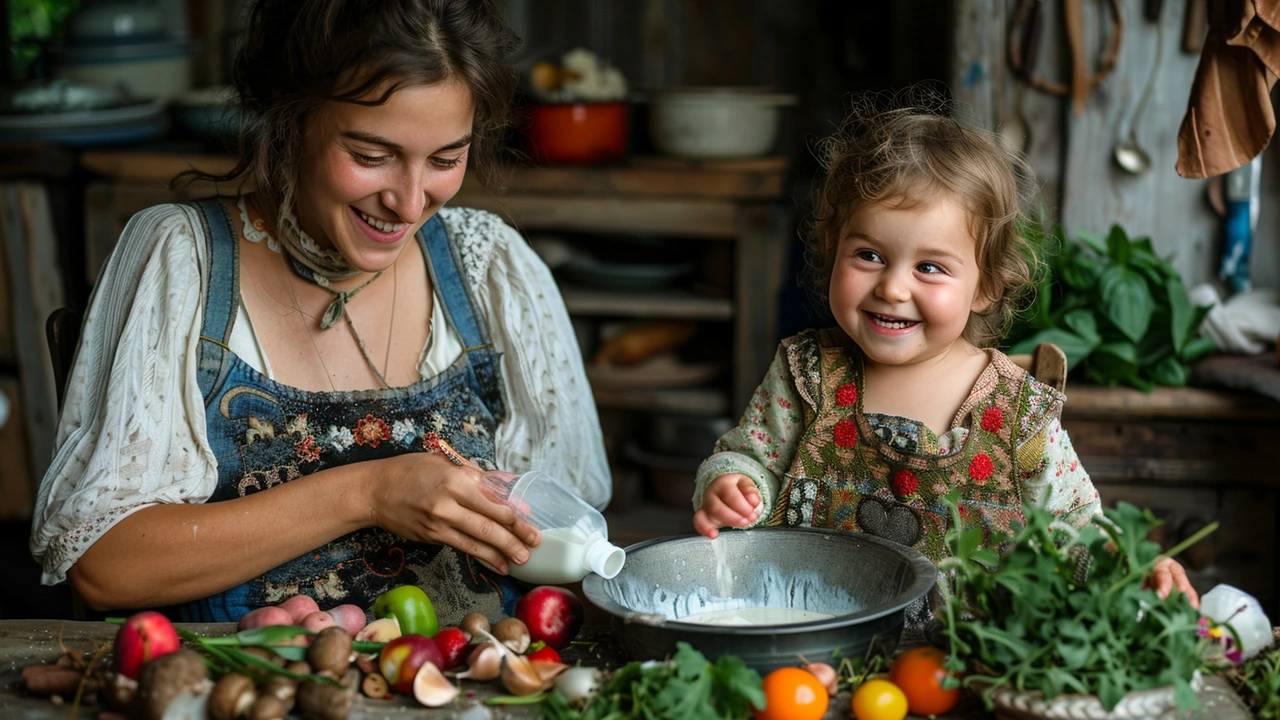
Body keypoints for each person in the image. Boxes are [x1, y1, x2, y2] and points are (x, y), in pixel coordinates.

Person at [30, 0, 611, 625]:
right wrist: (369, 491)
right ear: (290, 118)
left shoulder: (490, 268)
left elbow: (570, 538)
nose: (409, 202)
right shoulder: (183, 260)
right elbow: (102, 567)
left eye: (445, 160)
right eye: (370, 155)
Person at [690, 96, 1198, 611]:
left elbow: (1072, 523)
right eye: (868, 256)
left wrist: (1126, 559)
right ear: (831, 249)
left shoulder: (1017, 415)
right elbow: (749, 458)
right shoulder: (805, 374)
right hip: (813, 639)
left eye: (930, 267)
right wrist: (734, 486)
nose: (892, 288)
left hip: (964, 663)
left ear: (986, 287)